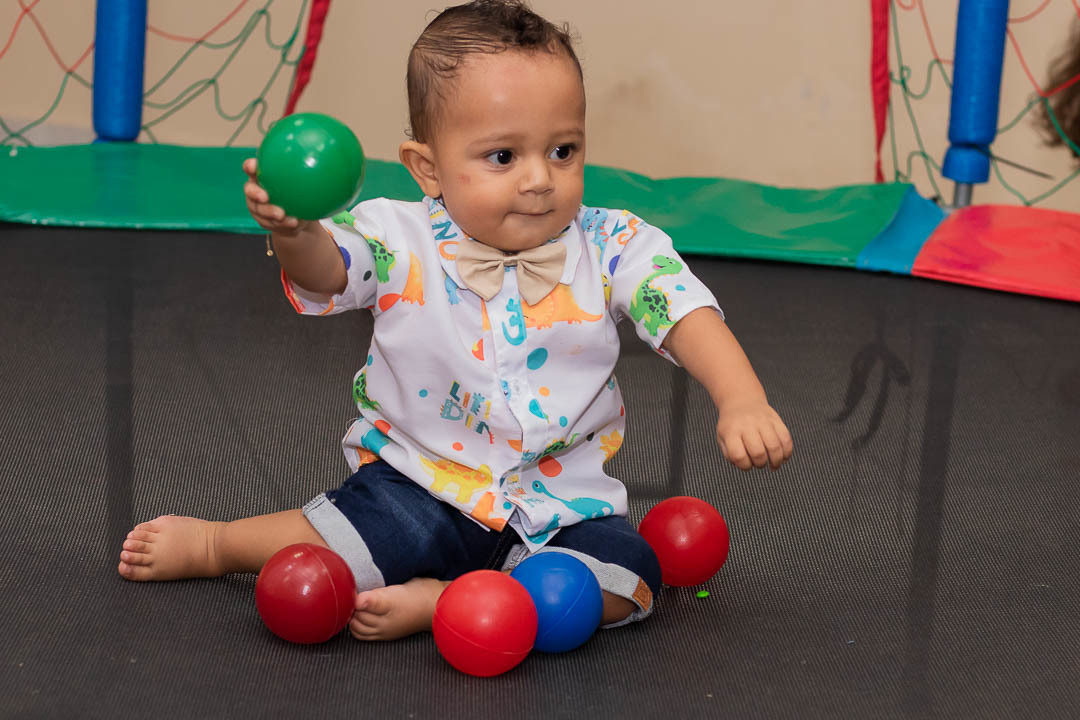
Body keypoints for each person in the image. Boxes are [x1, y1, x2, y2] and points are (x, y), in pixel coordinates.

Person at [117, 0, 793, 641]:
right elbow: (326, 270)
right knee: (340, 536)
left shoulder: (613, 244)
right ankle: (216, 543)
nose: (538, 179)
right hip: (421, 483)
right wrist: (294, 231)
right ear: (428, 168)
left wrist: (741, 398)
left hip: (561, 510)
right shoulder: (397, 236)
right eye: (503, 157)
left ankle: (451, 601)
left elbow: (682, 309)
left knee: (629, 578)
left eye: (563, 151)